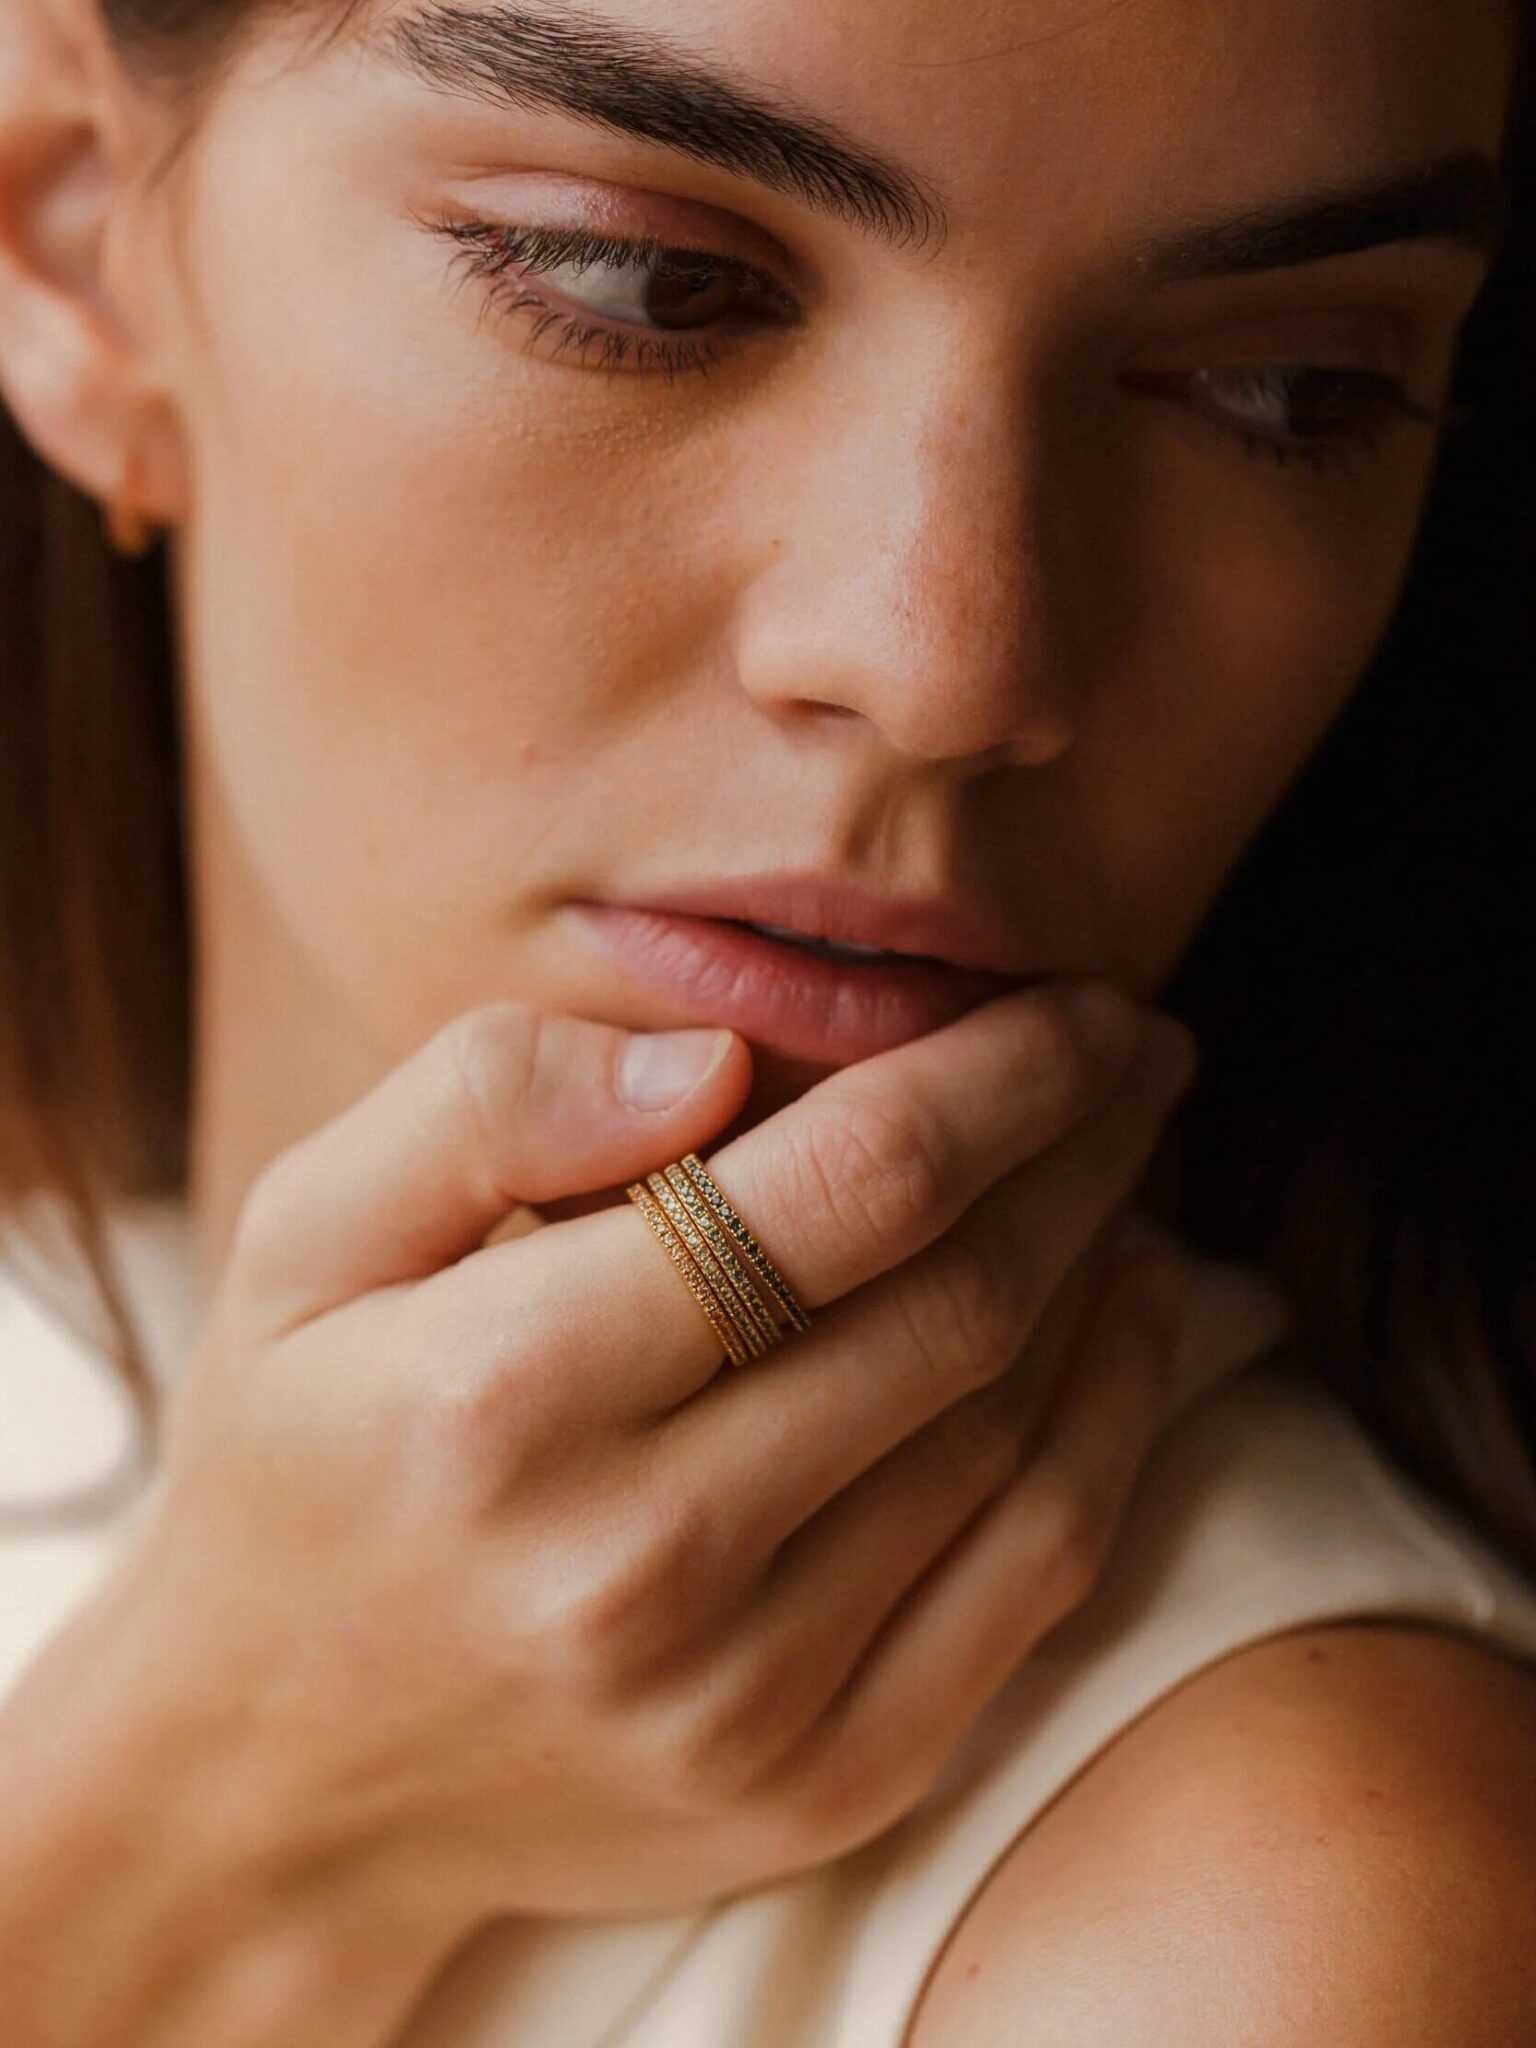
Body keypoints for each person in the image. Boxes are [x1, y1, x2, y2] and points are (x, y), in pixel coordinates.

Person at [1, 1, 1535, 2043]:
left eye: (1284, 387)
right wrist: (205, 1817)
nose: (951, 655)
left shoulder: (1279, 1935)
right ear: (77, 239)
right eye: (651, 283)